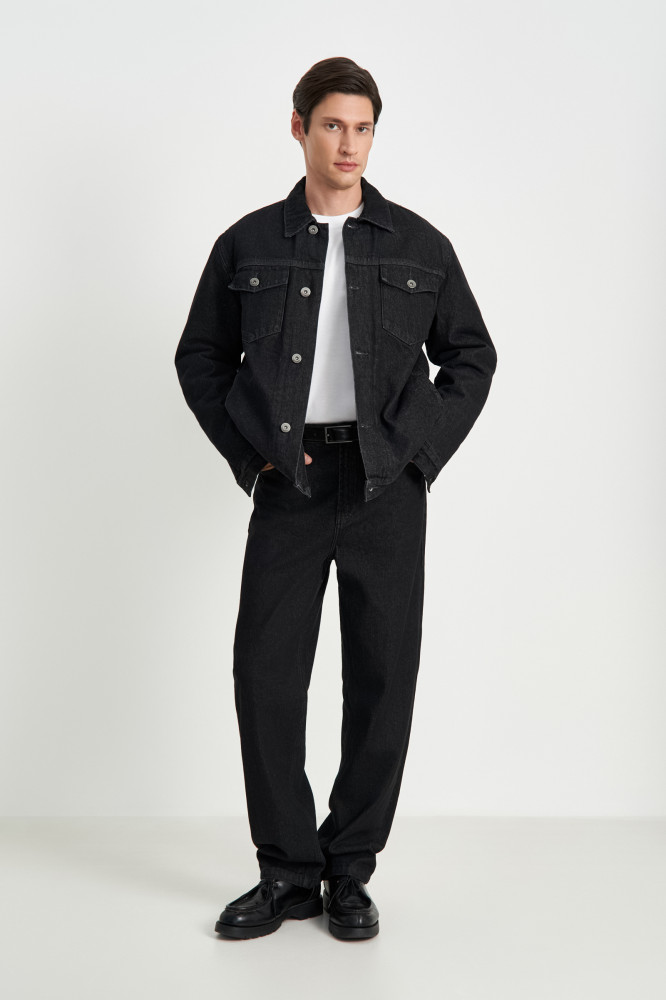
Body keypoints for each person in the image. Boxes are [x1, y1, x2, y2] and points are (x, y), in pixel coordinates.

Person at [174, 56, 497, 941]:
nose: (348, 144)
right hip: (292, 481)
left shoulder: (419, 246)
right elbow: (200, 356)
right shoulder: (248, 243)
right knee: (265, 676)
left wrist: (419, 453)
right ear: (299, 128)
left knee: (383, 678)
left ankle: (349, 871)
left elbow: (471, 356)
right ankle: (286, 872)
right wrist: (253, 458)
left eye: (363, 128)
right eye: (332, 126)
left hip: (387, 485)